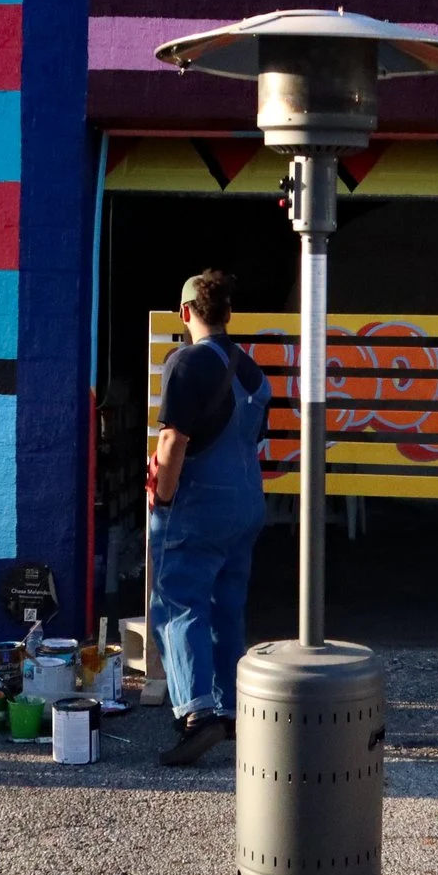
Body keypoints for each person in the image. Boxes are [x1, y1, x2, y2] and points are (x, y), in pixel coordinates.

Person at [147, 270, 271, 767]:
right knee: (226, 606)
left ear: (185, 313)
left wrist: (164, 499)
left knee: (178, 603)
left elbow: (174, 441)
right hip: (247, 505)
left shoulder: (185, 362)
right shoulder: (252, 370)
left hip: (199, 506)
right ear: (228, 314)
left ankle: (197, 716)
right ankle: (232, 710)